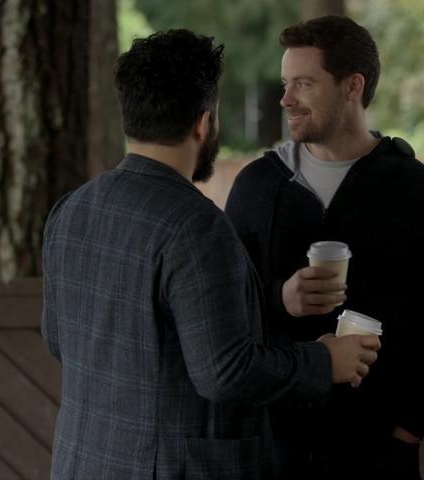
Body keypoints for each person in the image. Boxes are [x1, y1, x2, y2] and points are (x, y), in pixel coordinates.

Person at [41, 29, 380, 480]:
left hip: (81, 462)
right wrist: (325, 362)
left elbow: (58, 339)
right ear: (204, 123)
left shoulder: (71, 209)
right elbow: (226, 373)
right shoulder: (196, 226)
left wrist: (276, 299)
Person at [225, 15, 424, 479]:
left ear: (352, 86)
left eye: (304, 84)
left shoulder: (421, 192)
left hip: (377, 449)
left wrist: (408, 433)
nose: (286, 99)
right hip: (271, 446)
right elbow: (223, 308)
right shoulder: (256, 186)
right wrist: (281, 298)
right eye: (285, 83)